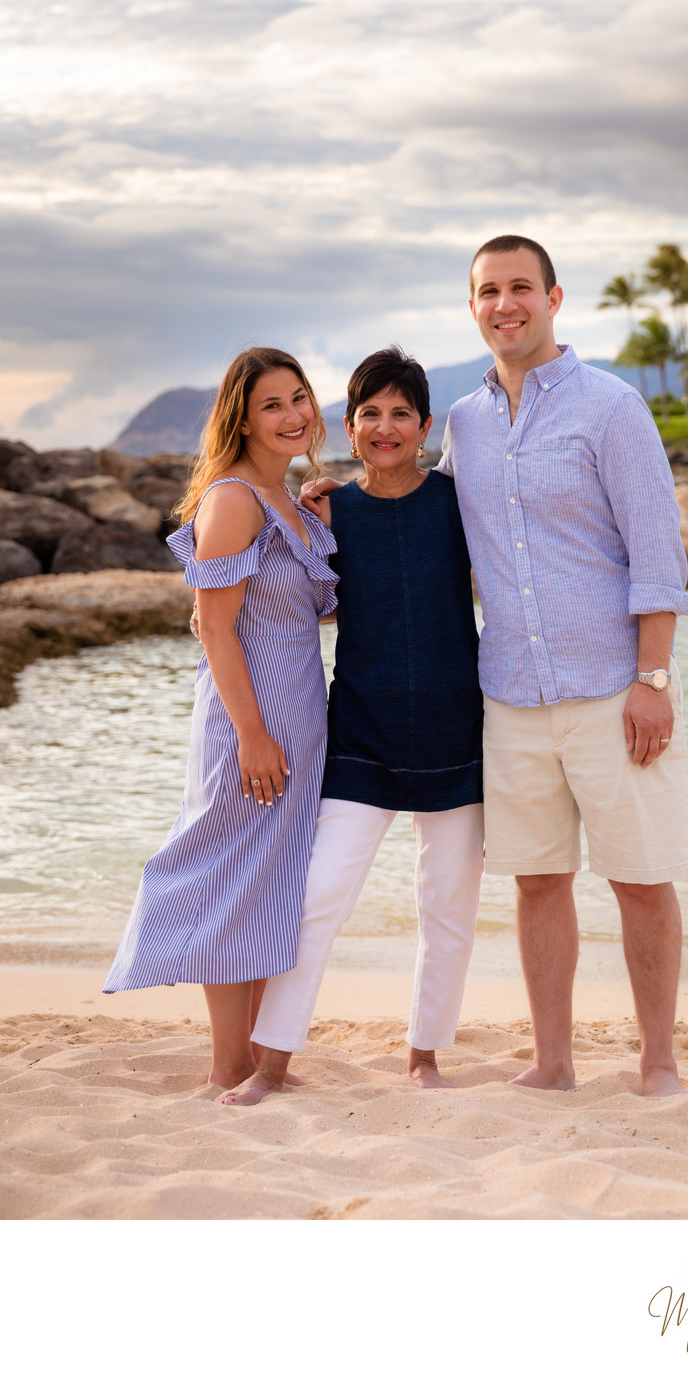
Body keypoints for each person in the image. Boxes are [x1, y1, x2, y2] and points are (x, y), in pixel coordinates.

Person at [439, 235, 688, 1097]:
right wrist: (339, 495)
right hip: (509, 691)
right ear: (471, 306)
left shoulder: (612, 408)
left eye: (520, 287)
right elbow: (434, 527)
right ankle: (552, 1062)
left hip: (613, 689)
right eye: (487, 291)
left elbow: (657, 553)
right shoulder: (463, 421)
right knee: (539, 880)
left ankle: (656, 1059)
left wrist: (652, 679)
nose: (503, 304)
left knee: (640, 876)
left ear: (554, 298)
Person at [221, 346, 484, 1105]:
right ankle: (269, 1062)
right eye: (371, 412)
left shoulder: (455, 502)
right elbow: (272, 603)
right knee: (315, 900)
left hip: (455, 737)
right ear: (349, 424)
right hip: (360, 737)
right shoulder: (326, 510)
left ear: (427, 425)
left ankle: (425, 1055)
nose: (386, 426)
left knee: (447, 911)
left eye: (402, 413)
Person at [103, 348, 338, 1091]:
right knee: (226, 877)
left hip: (298, 724)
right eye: (273, 404)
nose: (293, 415)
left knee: (269, 890)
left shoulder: (292, 503)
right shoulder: (233, 498)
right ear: (240, 416)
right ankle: (228, 1064)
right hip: (249, 729)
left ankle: (252, 1060)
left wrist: (327, 519)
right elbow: (214, 626)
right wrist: (252, 733)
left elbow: (318, 613)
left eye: (298, 398)